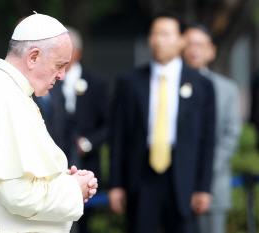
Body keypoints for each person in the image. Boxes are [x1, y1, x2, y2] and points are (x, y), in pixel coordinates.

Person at [0, 12, 98, 233]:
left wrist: (59, 181)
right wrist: (73, 189)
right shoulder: (5, 97)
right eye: (59, 65)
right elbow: (21, 197)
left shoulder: (0, 86)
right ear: (33, 57)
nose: (62, 75)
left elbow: (12, 176)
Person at [109, 11, 215, 233]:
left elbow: (207, 140)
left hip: (183, 177)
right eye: (154, 34)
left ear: (181, 39)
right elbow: (118, 135)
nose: (158, 40)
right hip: (142, 176)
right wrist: (117, 184)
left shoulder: (201, 84)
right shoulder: (130, 82)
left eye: (166, 34)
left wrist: (203, 187)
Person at [34, 26, 108, 233]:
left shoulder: (87, 83)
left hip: (75, 170)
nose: (61, 74)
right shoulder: (37, 87)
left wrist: (73, 172)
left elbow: (71, 127)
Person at [183, 24, 242, 233]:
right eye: (188, 43)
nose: (193, 50)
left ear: (211, 50)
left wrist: (205, 169)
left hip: (214, 184)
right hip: (174, 186)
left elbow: (231, 134)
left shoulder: (227, 89)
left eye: (199, 44)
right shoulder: (166, 84)